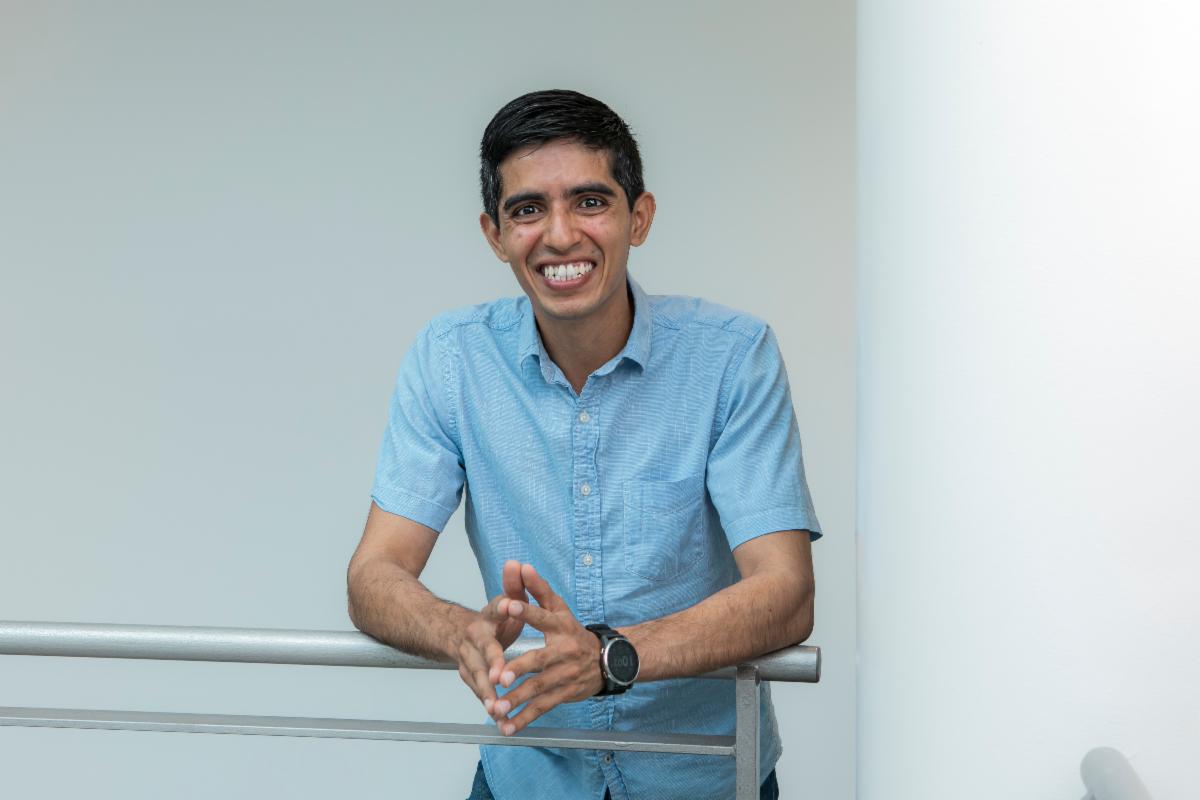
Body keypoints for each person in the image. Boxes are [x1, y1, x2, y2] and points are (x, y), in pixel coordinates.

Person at [346, 89, 820, 800]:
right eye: (527, 209)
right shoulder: (450, 359)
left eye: (590, 202)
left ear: (639, 217)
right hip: (528, 777)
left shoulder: (732, 358)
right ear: (494, 234)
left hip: (704, 779)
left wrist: (607, 658)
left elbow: (786, 592)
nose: (560, 235)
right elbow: (373, 574)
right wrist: (458, 631)